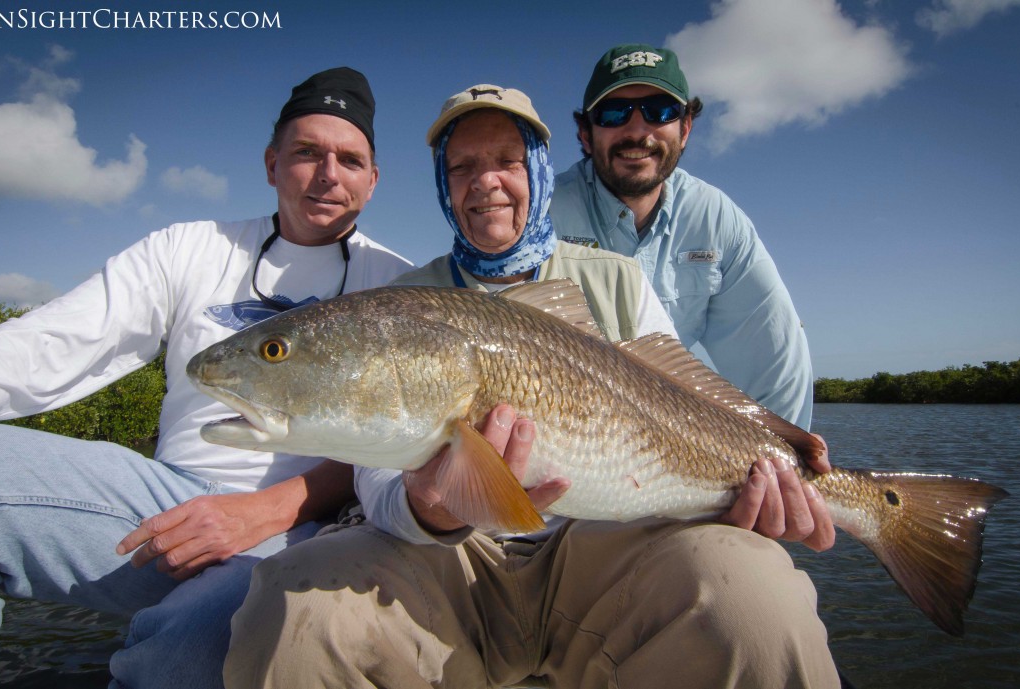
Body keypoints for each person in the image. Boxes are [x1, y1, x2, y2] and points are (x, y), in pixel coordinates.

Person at [224, 85, 839, 689]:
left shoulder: (618, 281)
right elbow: (376, 480)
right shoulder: (401, 304)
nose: (485, 181)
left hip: (604, 558)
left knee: (758, 597)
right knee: (292, 602)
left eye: (506, 162)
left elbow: (685, 403)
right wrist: (430, 505)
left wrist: (765, 475)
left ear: (539, 173)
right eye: (462, 165)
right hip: (452, 567)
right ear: (443, 183)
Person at [0, 67, 412, 689]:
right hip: (161, 500)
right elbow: (51, 341)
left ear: (373, 180)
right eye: (307, 152)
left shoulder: (402, 286)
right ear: (272, 163)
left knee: (191, 645)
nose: (328, 174)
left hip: (307, 529)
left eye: (350, 159)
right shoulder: (188, 247)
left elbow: (399, 449)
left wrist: (261, 512)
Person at [550, 43, 816, 430]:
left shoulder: (718, 219)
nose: (637, 131)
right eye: (613, 113)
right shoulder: (539, 214)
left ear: (685, 128)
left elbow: (776, 362)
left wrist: (788, 466)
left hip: (673, 439)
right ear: (586, 135)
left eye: (660, 111)